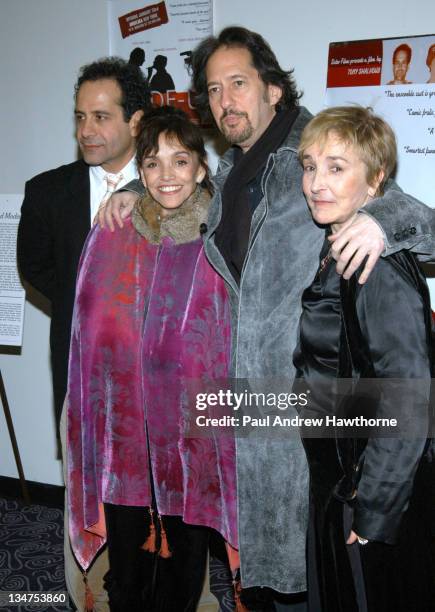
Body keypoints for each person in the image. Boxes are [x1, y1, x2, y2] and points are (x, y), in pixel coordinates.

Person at [99, 27, 434, 611]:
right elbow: (183, 205)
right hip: (240, 413)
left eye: (239, 82)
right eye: (214, 89)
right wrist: (133, 194)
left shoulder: (314, 151)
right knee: (254, 574)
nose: (226, 99)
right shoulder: (228, 173)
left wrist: (384, 224)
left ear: (274, 89)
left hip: (309, 419)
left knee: (318, 581)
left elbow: (414, 216)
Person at [67, 105, 237, 612]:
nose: (167, 175)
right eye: (153, 164)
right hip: (126, 439)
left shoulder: (220, 240)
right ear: (139, 174)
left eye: (180, 161)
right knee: (129, 572)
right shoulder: (116, 232)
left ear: (201, 169)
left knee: (182, 572)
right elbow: (87, 326)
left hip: (191, 441)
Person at [17, 57, 151, 611]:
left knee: (157, 497)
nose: (87, 130)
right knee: (84, 489)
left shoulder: (170, 181)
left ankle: (169, 596)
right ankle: (88, 598)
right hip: (79, 373)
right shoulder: (46, 191)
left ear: (136, 121)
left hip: (153, 379)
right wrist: (89, 314)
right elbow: (37, 268)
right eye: (79, 118)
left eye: (101, 116)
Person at [295, 105, 434, 612]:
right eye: (310, 166)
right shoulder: (340, 244)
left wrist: (374, 511)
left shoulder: (376, 267)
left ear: (375, 180)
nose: (316, 182)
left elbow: (409, 400)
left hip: (370, 490)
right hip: (343, 477)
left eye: (336, 167)